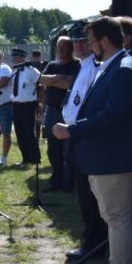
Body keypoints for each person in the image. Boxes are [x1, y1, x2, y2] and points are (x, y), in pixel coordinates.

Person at [53, 16, 132, 264]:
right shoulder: (114, 67)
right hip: (106, 158)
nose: (89, 46)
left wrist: (73, 130)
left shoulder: (124, 69)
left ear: (105, 41)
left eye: (91, 40)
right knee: (113, 219)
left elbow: (112, 116)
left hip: (114, 160)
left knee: (118, 220)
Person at [58, 23, 106, 260]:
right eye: (75, 42)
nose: (78, 46)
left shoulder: (93, 68)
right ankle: (91, 239)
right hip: (74, 135)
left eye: (83, 42)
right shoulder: (82, 67)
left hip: (81, 135)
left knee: (88, 193)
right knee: (83, 191)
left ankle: (93, 242)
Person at [39, 37, 81, 191]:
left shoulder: (77, 65)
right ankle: (56, 180)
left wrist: (53, 81)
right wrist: (60, 77)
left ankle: (69, 182)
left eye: (64, 47)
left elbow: (70, 84)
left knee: (68, 149)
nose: (61, 50)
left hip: (67, 113)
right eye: (58, 47)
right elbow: (42, 80)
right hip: (52, 111)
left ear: (71, 49)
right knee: (53, 148)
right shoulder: (52, 65)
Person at [9, 48, 42, 165]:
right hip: (16, 105)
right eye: (14, 58)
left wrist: (40, 102)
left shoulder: (31, 70)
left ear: (23, 58)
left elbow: (41, 84)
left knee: (29, 132)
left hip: (29, 105)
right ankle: (25, 158)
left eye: (17, 58)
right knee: (20, 133)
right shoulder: (14, 71)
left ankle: (35, 158)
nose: (15, 60)